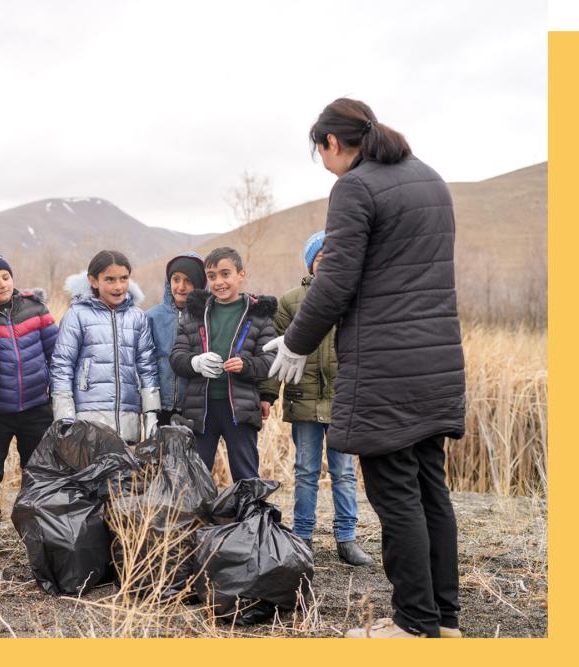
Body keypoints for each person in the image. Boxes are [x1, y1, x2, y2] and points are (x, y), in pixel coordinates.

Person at [265, 98, 466, 639]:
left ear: (333, 143)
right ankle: (443, 620)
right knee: (430, 490)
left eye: (321, 151)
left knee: (397, 494)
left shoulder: (355, 186)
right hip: (437, 360)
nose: (324, 162)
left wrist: (296, 341)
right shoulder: (429, 178)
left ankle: (414, 624)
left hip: (386, 366)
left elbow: (335, 280)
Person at [258, 231, 372, 566]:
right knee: (306, 470)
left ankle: (346, 539)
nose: (327, 263)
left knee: (345, 472)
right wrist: (267, 394)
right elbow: (275, 354)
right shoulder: (291, 301)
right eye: (320, 258)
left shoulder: (354, 297)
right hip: (304, 399)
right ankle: (303, 537)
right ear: (311, 263)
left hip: (343, 401)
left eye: (333, 257)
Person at [0, 250, 58, 551]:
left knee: (37, 468)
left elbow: (55, 353)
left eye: (5, 277)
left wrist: (55, 394)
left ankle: (34, 522)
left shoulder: (35, 309)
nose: (2, 285)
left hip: (35, 405)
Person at [170, 246, 277, 481]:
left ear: (241, 274)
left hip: (240, 408)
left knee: (245, 472)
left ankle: (250, 516)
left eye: (225, 274)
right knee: (195, 475)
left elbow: (270, 360)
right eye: (212, 276)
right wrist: (195, 362)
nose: (219, 282)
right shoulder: (195, 313)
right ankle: (197, 518)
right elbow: (177, 357)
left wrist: (247, 365)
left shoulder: (258, 314)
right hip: (201, 408)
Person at [50, 250, 160, 443]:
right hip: (88, 424)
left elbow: (147, 366)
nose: (118, 286)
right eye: (110, 279)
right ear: (93, 281)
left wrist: (151, 413)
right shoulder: (77, 315)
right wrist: (64, 418)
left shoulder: (137, 317)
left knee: (123, 474)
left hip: (128, 420)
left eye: (124, 278)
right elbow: (62, 366)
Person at [146, 253, 207, 426]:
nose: (181, 286)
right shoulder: (151, 317)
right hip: (158, 405)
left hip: (195, 406)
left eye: (188, 280)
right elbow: (143, 362)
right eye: (176, 279)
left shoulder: (206, 318)